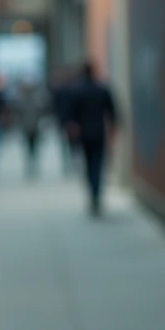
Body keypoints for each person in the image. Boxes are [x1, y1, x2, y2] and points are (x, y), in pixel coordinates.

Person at [67, 60, 120, 216]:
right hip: (98, 132)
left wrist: (72, 127)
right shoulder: (101, 89)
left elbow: (70, 114)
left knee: (88, 164)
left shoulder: (76, 91)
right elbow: (113, 112)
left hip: (83, 133)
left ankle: (92, 191)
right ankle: (96, 192)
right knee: (97, 163)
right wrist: (113, 129)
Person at [12, 78, 49, 178]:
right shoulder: (28, 100)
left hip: (31, 126)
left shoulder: (31, 99)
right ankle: (31, 163)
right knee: (30, 146)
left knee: (32, 146)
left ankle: (32, 163)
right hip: (29, 126)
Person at [52, 67, 79, 175]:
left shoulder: (60, 92)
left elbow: (55, 106)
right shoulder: (74, 90)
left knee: (65, 142)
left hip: (63, 120)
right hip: (70, 120)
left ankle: (67, 161)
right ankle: (72, 160)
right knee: (71, 142)